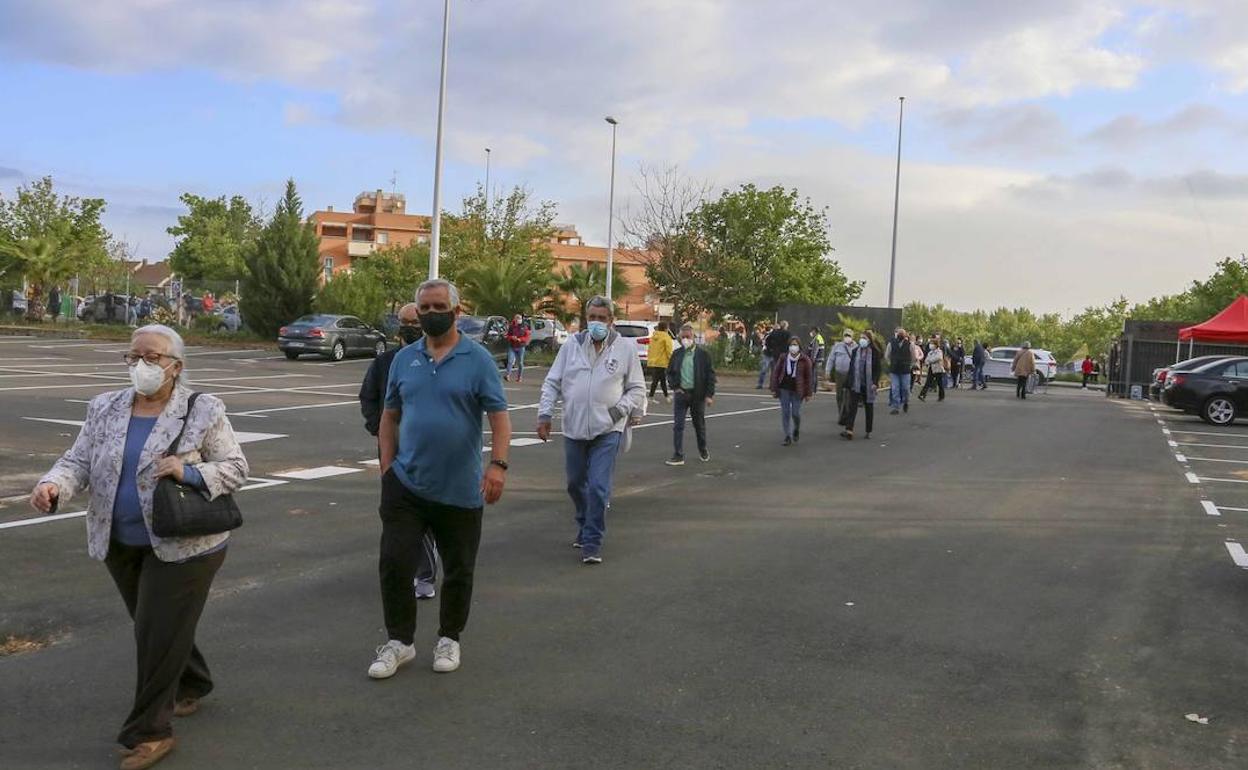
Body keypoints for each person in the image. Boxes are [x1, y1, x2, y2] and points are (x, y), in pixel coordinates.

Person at [30, 324, 248, 770]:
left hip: (188, 544)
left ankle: (150, 731)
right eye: (133, 357)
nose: (141, 366)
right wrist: (53, 485)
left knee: (155, 632)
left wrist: (188, 473)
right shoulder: (104, 407)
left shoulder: (202, 409)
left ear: (175, 366)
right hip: (120, 539)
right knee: (156, 627)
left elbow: (236, 468)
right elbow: (78, 460)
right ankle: (192, 682)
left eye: (152, 357)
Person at [370, 279, 511, 680]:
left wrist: (498, 465)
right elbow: (389, 418)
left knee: (459, 568)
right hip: (406, 486)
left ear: (457, 311)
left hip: (460, 489)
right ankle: (399, 641)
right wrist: (387, 469)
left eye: (438, 307)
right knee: (395, 563)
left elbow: (500, 419)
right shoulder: (404, 360)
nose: (430, 314)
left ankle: (450, 636)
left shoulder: (477, 359)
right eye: (424, 308)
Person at [537, 296, 646, 564]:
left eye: (602, 318)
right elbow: (553, 382)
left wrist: (621, 411)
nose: (596, 322)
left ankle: (592, 541)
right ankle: (585, 522)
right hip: (574, 427)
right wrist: (545, 414)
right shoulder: (571, 347)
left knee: (598, 486)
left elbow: (637, 388)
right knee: (575, 483)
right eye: (592, 317)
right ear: (586, 318)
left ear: (611, 321)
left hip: (608, 428)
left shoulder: (624, 349)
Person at [359, 304, 440, 601]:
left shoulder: (433, 360)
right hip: (392, 452)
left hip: (426, 451)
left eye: (414, 322)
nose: (408, 327)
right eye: (404, 322)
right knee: (396, 516)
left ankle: (425, 574)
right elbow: (368, 397)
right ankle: (403, 572)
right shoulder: (384, 363)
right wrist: (377, 428)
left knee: (424, 516)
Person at [665, 323, 716, 465]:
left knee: (699, 424)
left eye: (688, 337)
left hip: (697, 395)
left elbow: (710, 376)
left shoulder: (703, 355)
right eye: (683, 337)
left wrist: (709, 395)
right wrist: (675, 387)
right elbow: (669, 372)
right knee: (678, 425)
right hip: (681, 394)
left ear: (693, 337)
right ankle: (678, 454)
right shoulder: (677, 354)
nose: (685, 340)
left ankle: (703, 449)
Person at [770, 334, 813, 446]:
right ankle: (787, 436)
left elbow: (809, 377)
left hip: (798, 390)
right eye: (791, 345)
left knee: (795, 413)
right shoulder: (783, 357)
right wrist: (774, 388)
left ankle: (796, 429)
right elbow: (776, 373)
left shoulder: (805, 360)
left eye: (795, 345)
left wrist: (808, 393)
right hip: (784, 388)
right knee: (785, 412)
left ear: (799, 346)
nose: (793, 347)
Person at [840, 331, 882, 440]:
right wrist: (847, 382)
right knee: (852, 407)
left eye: (864, 338)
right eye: (861, 337)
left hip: (868, 385)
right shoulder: (855, 351)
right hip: (856, 383)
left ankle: (868, 430)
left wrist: (875, 382)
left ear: (869, 340)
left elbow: (877, 369)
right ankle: (849, 430)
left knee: (869, 407)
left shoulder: (874, 353)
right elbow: (852, 367)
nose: (862, 340)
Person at [883, 327, 913, 414]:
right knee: (895, 388)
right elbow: (886, 355)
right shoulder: (891, 343)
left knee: (905, 388)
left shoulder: (910, 344)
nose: (900, 336)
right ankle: (896, 407)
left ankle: (906, 402)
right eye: (899, 334)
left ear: (905, 336)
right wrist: (890, 363)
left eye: (902, 334)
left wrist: (911, 365)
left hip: (905, 370)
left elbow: (913, 356)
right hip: (894, 370)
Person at [825, 330, 854, 417]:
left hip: (850, 374)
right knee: (839, 395)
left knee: (850, 395)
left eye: (849, 335)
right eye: (845, 335)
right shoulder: (837, 346)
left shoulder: (856, 346)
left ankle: (848, 413)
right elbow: (831, 359)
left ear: (852, 336)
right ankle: (841, 414)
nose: (847, 337)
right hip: (839, 374)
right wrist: (827, 371)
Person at [757, 320, 790, 389]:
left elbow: (767, 342)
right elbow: (787, 344)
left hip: (770, 353)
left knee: (765, 370)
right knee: (774, 370)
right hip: (776, 354)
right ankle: (772, 385)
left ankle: (761, 384)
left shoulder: (773, 333)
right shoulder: (787, 334)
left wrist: (770, 348)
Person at [647, 320, 674, 403]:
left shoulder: (653, 337)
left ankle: (666, 396)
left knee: (660, 379)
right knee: (657, 380)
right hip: (662, 362)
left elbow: (650, 349)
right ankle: (651, 397)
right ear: (666, 328)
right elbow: (669, 350)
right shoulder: (666, 337)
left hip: (654, 361)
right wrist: (672, 359)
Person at [504, 314, 531, 383]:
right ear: (514, 319)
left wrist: (520, 339)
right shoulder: (511, 326)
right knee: (510, 361)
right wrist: (511, 337)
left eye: (519, 318)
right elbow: (507, 335)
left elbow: (527, 337)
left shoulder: (524, 326)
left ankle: (519, 377)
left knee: (520, 363)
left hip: (520, 347)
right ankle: (507, 375)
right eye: (517, 318)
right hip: (512, 346)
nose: (518, 320)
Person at [807, 327, 826, 392]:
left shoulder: (817, 339)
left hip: (815, 359)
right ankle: (814, 388)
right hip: (818, 359)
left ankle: (812, 388)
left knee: (813, 373)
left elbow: (815, 350)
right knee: (815, 373)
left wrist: (812, 359)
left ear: (814, 331)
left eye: (812, 331)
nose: (811, 332)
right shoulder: (819, 337)